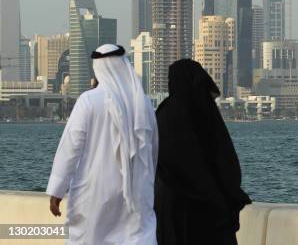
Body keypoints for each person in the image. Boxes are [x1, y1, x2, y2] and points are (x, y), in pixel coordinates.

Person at [46, 44, 158, 244]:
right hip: (135, 192)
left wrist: (57, 190)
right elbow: (153, 150)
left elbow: (70, 149)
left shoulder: (88, 100)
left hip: (94, 192)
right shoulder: (144, 103)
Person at [154, 59, 251, 245]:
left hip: (175, 208)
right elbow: (226, 163)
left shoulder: (166, 114)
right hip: (211, 208)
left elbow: (164, 160)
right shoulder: (207, 113)